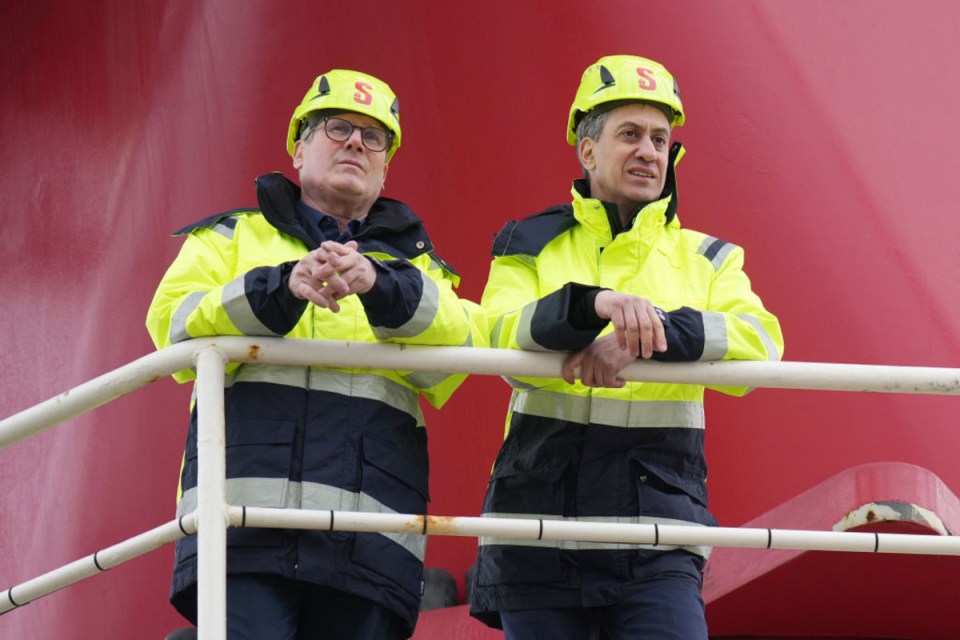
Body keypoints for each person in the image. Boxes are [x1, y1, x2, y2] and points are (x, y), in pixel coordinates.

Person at [146, 69, 478, 639]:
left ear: (385, 166)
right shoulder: (228, 238)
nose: (355, 142)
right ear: (299, 148)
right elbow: (169, 327)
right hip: (244, 532)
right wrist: (279, 287)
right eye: (338, 127)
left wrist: (381, 285)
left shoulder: (421, 270)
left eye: (374, 137)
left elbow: (461, 355)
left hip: (370, 541)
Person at [468, 55, 784, 639]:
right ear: (587, 152)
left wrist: (649, 334)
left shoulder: (712, 257)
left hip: (658, 537)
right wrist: (591, 306)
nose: (648, 151)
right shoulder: (527, 244)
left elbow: (761, 347)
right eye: (630, 135)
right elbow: (495, 336)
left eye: (661, 139)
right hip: (538, 530)